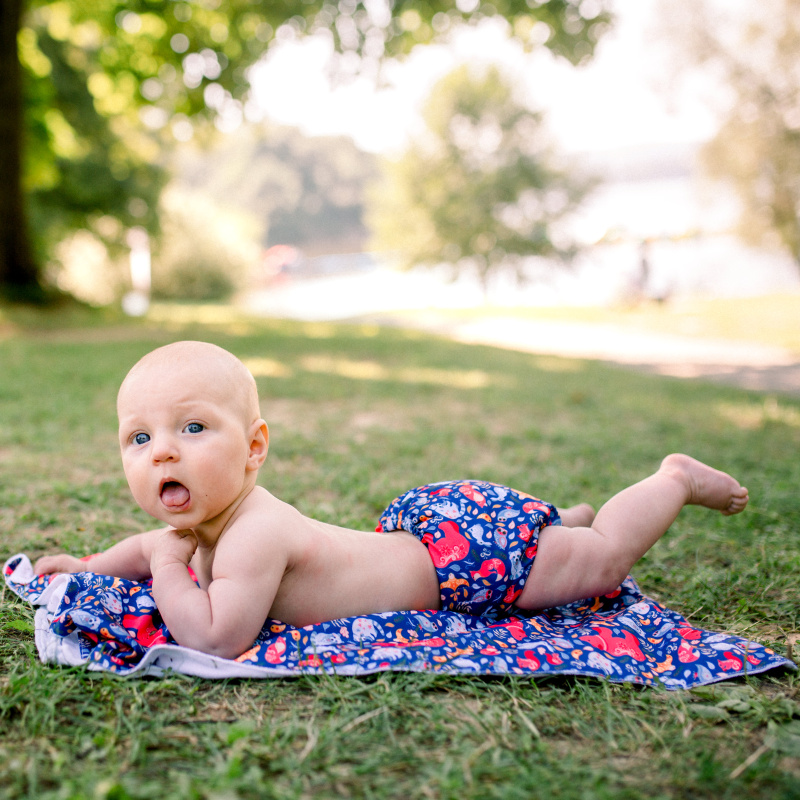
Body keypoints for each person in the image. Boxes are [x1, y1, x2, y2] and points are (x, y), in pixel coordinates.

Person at [34, 341, 750, 660]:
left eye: (192, 428)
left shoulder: (252, 534)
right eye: (139, 437)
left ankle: (672, 479)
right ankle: (555, 524)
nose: (163, 449)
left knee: (599, 563)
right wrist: (88, 564)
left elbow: (218, 638)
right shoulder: (201, 521)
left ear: (254, 449)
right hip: (438, 534)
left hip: (466, 566)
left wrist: (163, 567)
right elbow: (145, 546)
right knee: (559, 543)